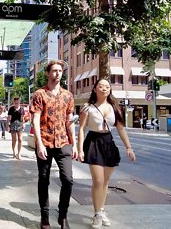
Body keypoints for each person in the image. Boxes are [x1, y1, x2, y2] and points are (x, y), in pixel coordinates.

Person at [77, 79, 136, 228]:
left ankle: (101, 210)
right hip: (93, 142)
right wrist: (79, 149)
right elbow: (82, 129)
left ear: (110, 90)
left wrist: (129, 148)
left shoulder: (114, 107)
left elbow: (121, 129)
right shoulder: (87, 108)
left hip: (108, 143)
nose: (104, 89)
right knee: (98, 180)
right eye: (101, 86)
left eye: (107, 87)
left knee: (105, 182)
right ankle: (97, 214)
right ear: (95, 89)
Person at [30, 60, 77, 229]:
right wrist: (39, 144)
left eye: (60, 70)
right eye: (54, 70)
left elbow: (69, 121)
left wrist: (75, 144)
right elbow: (35, 120)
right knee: (44, 180)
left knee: (68, 180)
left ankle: (62, 215)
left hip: (64, 142)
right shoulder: (39, 94)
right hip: (45, 142)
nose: (58, 73)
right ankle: (45, 217)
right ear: (48, 73)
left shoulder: (68, 95)